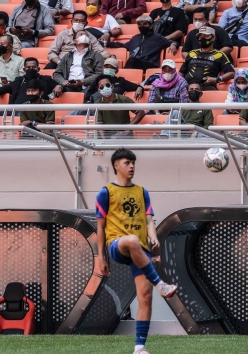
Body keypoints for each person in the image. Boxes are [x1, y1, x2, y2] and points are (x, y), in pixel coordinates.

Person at [95, 148, 178, 354]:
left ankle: (139, 347)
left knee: (145, 296)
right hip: (117, 244)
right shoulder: (105, 192)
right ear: (116, 165)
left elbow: (149, 219)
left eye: (133, 162)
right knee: (131, 240)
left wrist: (153, 236)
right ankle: (161, 284)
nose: (131, 166)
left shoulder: (142, 191)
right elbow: (100, 227)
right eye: (127, 162)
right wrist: (100, 257)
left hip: (141, 249)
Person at [105, 15, 179, 71]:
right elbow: (122, 45)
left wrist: (173, 44)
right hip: (136, 62)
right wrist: (105, 43)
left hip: (150, 64)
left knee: (132, 60)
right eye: (140, 24)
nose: (142, 26)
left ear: (151, 26)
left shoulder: (157, 38)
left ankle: (125, 76)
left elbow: (173, 42)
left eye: (145, 24)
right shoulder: (135, 38)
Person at [180, 26, 236, 90]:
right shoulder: (191, 53)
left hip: (206, 87)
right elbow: (181, 72)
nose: (202, 38)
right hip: (188, 86)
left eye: (206, 36)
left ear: (213, 38)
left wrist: (216, 79)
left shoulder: (219, 55)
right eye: (200, 36)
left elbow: (231, 73)